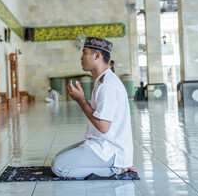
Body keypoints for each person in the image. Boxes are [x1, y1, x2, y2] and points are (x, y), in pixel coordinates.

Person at [51, 36, 137, 178]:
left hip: (111, 150)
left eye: (84, 52)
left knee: (59, 167)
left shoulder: (107, 85)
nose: (81, 57)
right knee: (60, 156)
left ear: (97, 55)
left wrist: (81, 100)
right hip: (102, 142)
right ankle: (113, 165)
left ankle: (116, 169)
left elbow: (103, 127)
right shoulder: (102, 80)